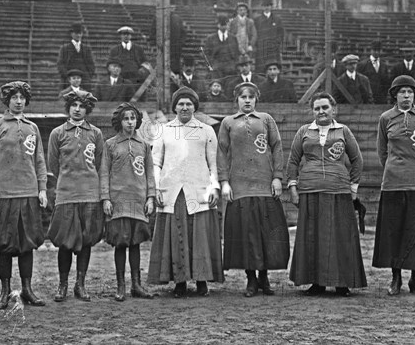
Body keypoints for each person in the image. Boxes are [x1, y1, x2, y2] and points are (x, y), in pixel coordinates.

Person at [287, 92, 366, 297]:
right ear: (312, 111)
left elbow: (357, 160)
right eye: (317, 108)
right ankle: (317, 283)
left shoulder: (343, 131)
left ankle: (342, 283)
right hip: (310, 190)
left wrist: (353, 189)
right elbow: (293, 161)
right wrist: (293, 188)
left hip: (338, 190)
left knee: (340, 237)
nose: (321, 111)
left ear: (333, 109)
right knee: (313, 237)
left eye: (325, 107)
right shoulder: (304, 131)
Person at [148, 86, 224, 297]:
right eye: (180, 104)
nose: (184, 107)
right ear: (174, 107)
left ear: (194, 107)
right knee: (176, 235)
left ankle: (201, 281)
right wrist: (156, 188)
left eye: (189, 104)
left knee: (199, 236)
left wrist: (214, 187)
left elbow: (213, 163)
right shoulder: (163, 130)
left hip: (198, 189)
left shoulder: (206, 130)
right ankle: (179, 282)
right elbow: (155, 162)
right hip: (172, 191)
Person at [217, 82, 290, 297]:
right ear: (236, 100)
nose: (247, 100)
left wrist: (277, 178)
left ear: (256, 99)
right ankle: (250, 279)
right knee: (246, 234)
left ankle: (264, 278)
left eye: (251, 97)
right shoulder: (228, 122)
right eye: (243, 97)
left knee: (266, 233)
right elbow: (221, 152)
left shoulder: (266, 120)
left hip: (264, 185)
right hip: (239, 187)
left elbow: (277, 147)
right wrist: (224, 182)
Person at [372, 75, 415, 296]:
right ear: (395, 95)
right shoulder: (385, 118)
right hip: (393, 183)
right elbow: (382, 151)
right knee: (395, 230)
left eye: (410, 92)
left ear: (414, 95)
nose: (406, 95)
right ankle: (396, 279)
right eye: (402, 92)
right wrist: (395, 168)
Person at [0, 81, 48, 309]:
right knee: (4, 244)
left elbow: (39, 160)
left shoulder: (33, 127)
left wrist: (42, 189)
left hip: (28, 193)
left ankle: (27, 289)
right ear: (7, 101)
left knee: (26, 243)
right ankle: (5, 291)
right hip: (4, 195)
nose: (18, 101)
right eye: (14, 97)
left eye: (22, 98)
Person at [47, 90, 104, 302]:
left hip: (89, 193)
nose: (77, 109)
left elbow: (99, 163)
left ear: (87, 109)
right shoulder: (57, 133)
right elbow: (53, 163)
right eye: (74, 105)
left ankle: (80, 284)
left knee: (86, 240)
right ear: (68, 108)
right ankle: (62, 285)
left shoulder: (95, 133)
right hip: (66, 194)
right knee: (65, 241)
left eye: (81, 106)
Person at [100, 103, 155, 302]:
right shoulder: (110, 144)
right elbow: (104, 173)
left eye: (133, 118)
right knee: (121, 244)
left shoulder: (144, 145)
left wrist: (150, 197)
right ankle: (121, 286)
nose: (130, 122)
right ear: (119, 121)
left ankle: (137, 285)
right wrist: (105, 198)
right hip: (118, 200)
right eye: (126, 119)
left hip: (138, 200)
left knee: (135, 244)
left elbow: (150, 173)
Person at [57, 22, 95, 88]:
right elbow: (60, 64)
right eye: (76, 33)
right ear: (71, 34)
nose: (78, 35)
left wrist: (88, 76)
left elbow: (91, 64)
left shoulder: (87, 49)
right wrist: (67, 76)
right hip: (69, 80)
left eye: (80, 33)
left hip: (84, 80)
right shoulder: (64, 48)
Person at [204, 15, 240, 81]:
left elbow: (236, 53)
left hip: (230, 67)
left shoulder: (233, 38)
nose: (223, 26)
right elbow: (206, 54)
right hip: (216, 67)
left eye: (225, 24)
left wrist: (234, 65)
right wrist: (211, 65)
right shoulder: (211, 38)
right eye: (221, 24)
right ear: (218, 25)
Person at [254, 0, 284, 66]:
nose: (266, 8)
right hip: (261, 48)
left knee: (273, 65)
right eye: (265, 6)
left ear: (271, 7)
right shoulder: (257, 20)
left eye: (268, 6)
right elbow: (255, 33)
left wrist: (277, 42)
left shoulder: (277, 19)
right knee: (261, 66)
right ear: (262, 7)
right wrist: (258, 44)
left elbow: (281, 33)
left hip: (273, 47)